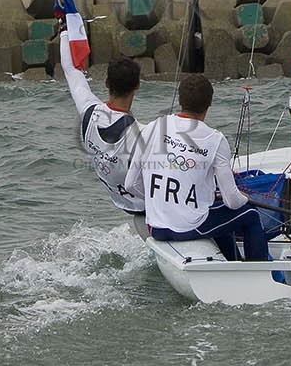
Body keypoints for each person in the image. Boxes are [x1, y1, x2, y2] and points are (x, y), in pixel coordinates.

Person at [123, 74, 270, 262]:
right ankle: (257, 277)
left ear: (180, 100)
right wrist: (245, 198)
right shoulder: (215, 139)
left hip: (156, 228)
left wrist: (159, 200)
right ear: (209, 103)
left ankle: (232, 263)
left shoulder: (153, 126)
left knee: (216, 210)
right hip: (188, 228)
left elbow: (130, 184)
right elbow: (233, 201)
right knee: (250, 215)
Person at [60, 34, 146, 233]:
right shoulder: (143, 133)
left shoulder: (87, 111)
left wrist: (65, 30)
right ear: (137, 86)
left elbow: (71, 70)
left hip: (124, 204)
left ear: (107, 83)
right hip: (148, 210)